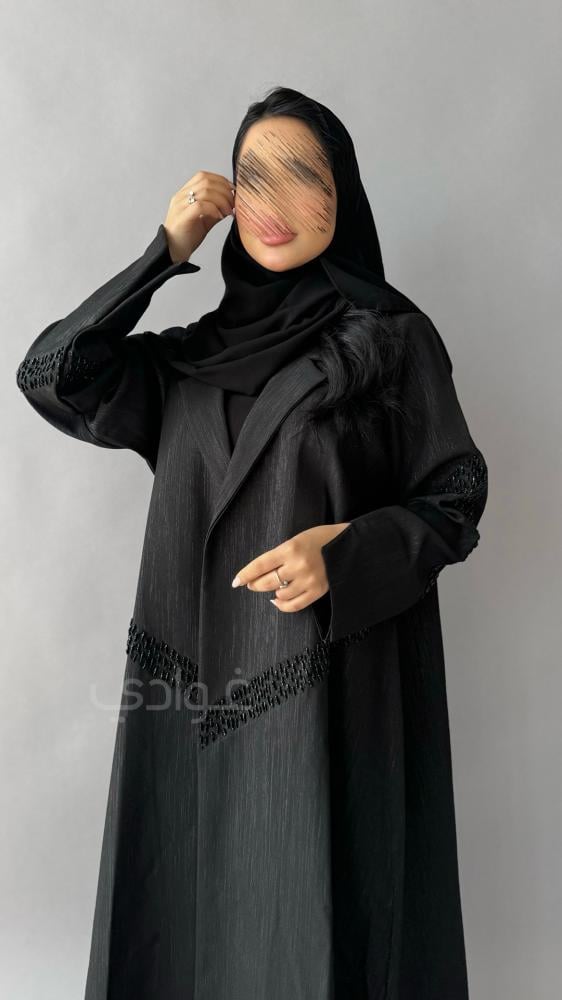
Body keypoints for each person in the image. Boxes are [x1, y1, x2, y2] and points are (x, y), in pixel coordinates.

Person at [16, 85, 488, 999]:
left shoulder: (391, 342)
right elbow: (51, 375)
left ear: (342, 195)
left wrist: (345, 551)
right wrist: (165, 251)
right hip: (188, 699)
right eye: (253, 177)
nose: (273, 202)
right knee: (180, 933)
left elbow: (456, 495)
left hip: (326, 707)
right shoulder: (189, 360)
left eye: (303, 176)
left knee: (317, 935)